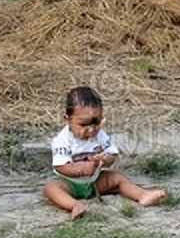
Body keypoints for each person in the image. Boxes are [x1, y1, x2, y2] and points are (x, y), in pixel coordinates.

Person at [44, 87, 167, 218]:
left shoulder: (100, 136)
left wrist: (105, 159)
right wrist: (82, 169)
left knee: (116, 177)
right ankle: (74, 205)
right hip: (69, 183)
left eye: (96, 122)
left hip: (94, 182)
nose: (91, 129)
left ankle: (142, 195)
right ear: (67, 120)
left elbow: (112, 154)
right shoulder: (62, 140)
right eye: (83, 124)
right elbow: (60, 166)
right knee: (52, 188)